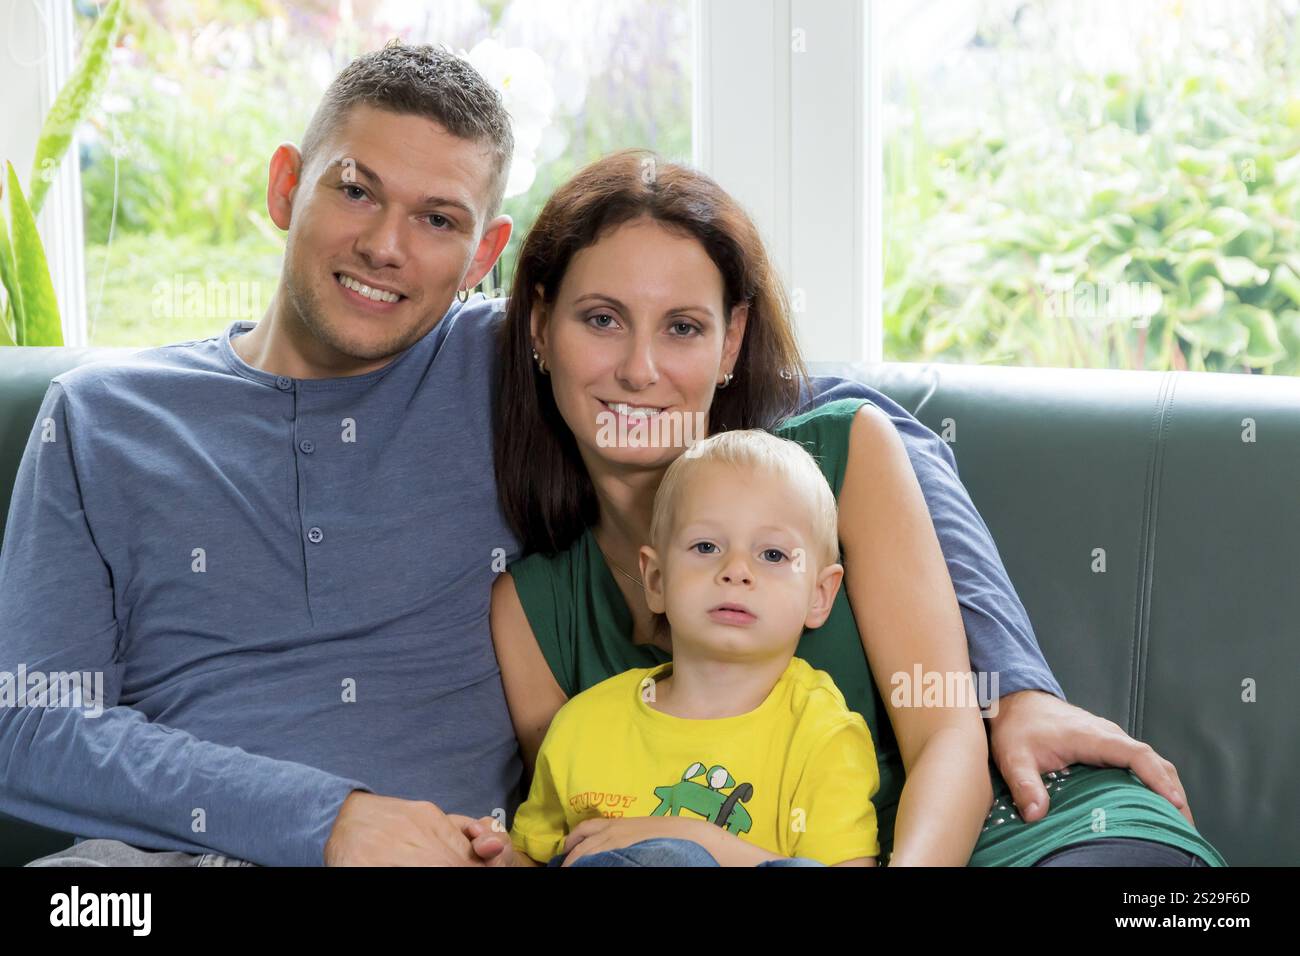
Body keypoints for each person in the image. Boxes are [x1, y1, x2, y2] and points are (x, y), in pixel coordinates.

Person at [0, 41, 1203, 868]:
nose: (385, 247)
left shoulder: (507, 367)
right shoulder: (102, 417)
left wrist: (1008, 678)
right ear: (284, 186)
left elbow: (829, 416)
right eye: (355, 191)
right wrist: (327, 820)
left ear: (487, 254)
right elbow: (27, 724)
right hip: (160, 854)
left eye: (439, 220)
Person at [468, 149, 1228, 866]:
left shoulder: (847, 453)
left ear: (731, 341)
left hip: (1016, 828)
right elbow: (588, 832)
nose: (640, 369)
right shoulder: (535, 611)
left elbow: (944, 741)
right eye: (601, 319)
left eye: (683, 328)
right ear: (540, 327)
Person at [497, 429, 881, 867]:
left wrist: (690, 836)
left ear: (819, 594)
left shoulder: (823, 735)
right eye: (706, 546)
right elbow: (533, 854)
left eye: (773, 555)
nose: (736, 570)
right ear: (656, 581)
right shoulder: (580, 726)